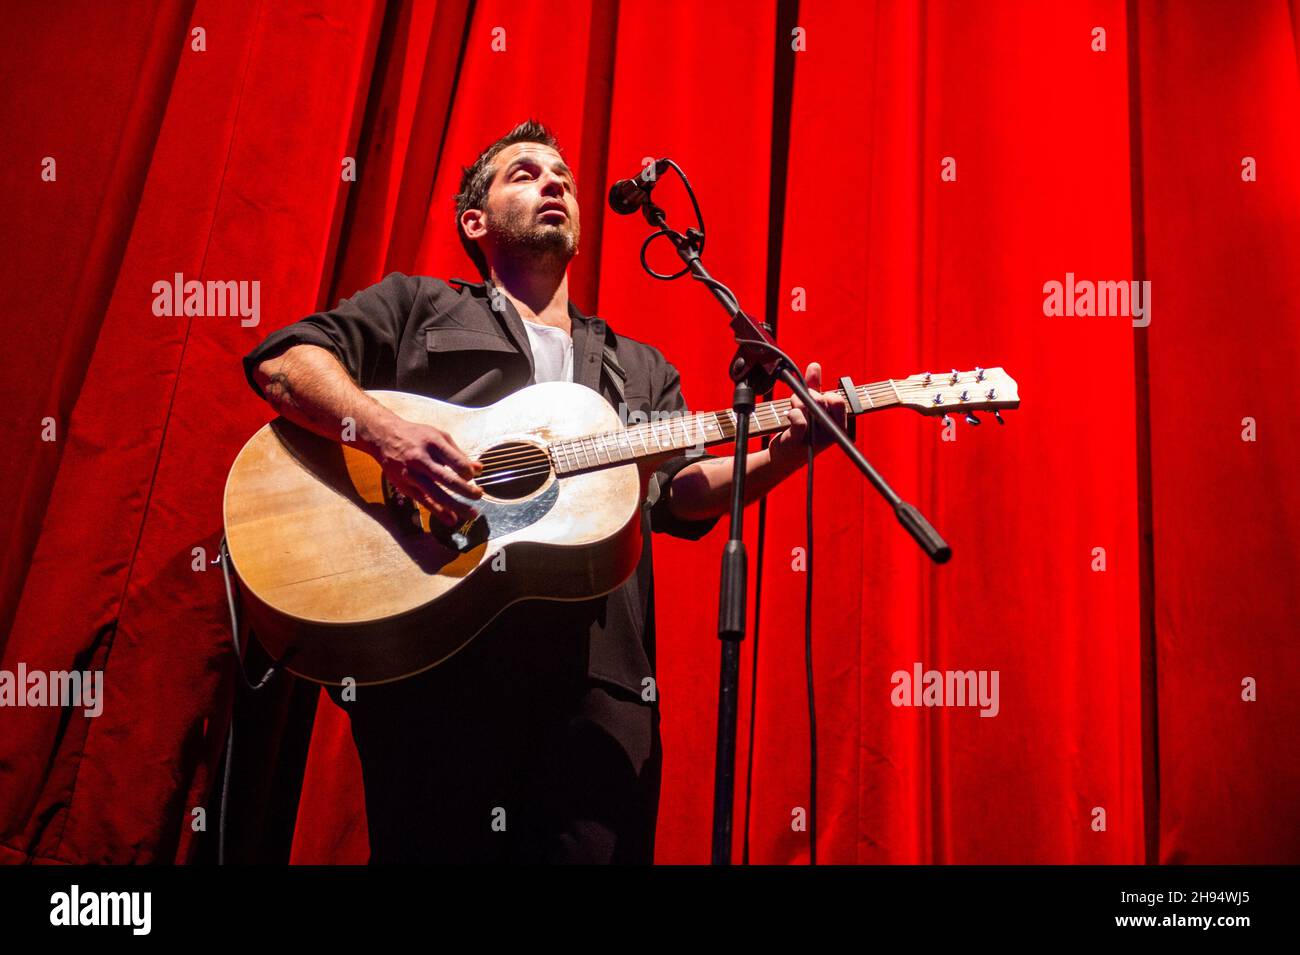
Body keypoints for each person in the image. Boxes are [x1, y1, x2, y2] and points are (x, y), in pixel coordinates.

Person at [242, 120, 847, 863]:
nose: (553, 182)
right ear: (477, 219)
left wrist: (784, 458)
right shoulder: (417, 307)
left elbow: (680, 494)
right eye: (523, 173)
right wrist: (384, 434)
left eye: (561, 174)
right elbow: (283, 363)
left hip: (599, 693)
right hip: (441, 668)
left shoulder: (637, 367)